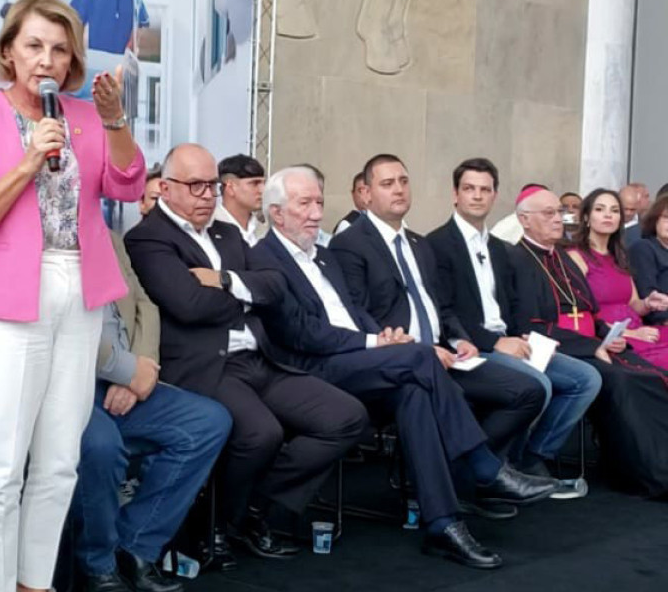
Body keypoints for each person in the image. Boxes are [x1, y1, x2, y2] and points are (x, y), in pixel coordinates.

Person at [0, 0, 145, 592]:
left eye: (59, 49)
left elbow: (127, 183)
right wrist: (29, 161)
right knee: (0, 464)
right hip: (6, 299)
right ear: (8, 52)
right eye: (33, 46)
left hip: (79, 293)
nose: (47, 60)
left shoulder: (85, 115)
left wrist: (114, 122)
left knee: (60, 458)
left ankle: (34, 587)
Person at [250, 167, 557, 569]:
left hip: (358, 358)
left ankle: (443, 524)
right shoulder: (263, 258)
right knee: (421, 357)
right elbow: (302, 333)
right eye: (303, 203)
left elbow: (353, 310)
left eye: (319, 202)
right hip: (312, 368)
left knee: (414, 391)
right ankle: (484, 466)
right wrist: (376, 342)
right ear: (276, 213)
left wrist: (384, 337)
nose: (315, 212)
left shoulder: (322, 254)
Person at [124, 144, 368, 561]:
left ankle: (251, 508)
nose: (206, 195)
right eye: (195, 186)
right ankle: (222, 524)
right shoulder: (148, 239)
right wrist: (246, 292)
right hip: (206, 366)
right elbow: (188, 305)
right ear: (164, 187)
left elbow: (276, 284)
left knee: (346, 418)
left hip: (260, 358)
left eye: (212, 186)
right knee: (261, 434)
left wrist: (223, 280)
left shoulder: (227, 232)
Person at [330, 154, 545, 461]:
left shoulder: (419, 244)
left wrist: (460, 339)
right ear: (366, 193)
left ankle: (473, 476)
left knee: (530, 391)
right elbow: (357, 315)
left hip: (445, 354)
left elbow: (441, 306)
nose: (399, 190)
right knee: (454, 398)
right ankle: (483, 475)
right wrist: (416, 349)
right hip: (400, 361)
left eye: (404, 181)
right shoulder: (349, 243)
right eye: (388, 184)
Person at [73, 232, 231, 592]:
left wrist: (141, 370)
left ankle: (136, 544)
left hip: (126, 374)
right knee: (100, 446)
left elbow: (144, 304)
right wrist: (125, 370)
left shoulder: (106, 234)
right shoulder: (35, 234)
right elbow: (60, 326)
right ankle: (98, 564)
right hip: (67, 383)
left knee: (207, 422)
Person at [427, 159, 601, 482]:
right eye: (469, 189)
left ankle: (529, 458)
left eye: (484, 190)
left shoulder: (499, 248)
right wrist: (495, 342)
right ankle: (481, 474)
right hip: (471, 347)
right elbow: (443, 310)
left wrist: (524, 338)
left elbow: (510, 305)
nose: (477, 196)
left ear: (494, 196)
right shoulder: (436, 244)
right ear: (455, 195)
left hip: (511, 340)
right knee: (538, 385)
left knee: (586, 378)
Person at [509, 185, 668, 498]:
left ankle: (648, 463)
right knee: (623, 380)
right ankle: (645, 471)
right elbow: (533, 324)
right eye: (550, 213)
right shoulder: (519, 259)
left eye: (560, 213)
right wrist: (594, 343)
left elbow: (589, 311)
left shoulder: (561, 259)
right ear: (525, 220)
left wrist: (608, 336)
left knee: (650, 376)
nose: (559, 219)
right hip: (553, 344)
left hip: (591, 341)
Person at [567, 189, 668, 371]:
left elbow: (633, 303)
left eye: (614, 211)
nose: (608, 215)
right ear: (586, 218)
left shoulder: (618, 256)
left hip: (638, 328)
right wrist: (631, 333)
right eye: (599, 209)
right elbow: (580, 315)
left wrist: (648, 303)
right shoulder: (576, 256)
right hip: (612, 336)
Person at [630, 195, 668, 326]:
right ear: (655, 220)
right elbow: (648, 296)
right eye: (666, 218)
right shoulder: (644, 248)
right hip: (658, 323)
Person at [214, 154, 267, 246]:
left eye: (263, 183)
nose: (262, 190)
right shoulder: (209, 228)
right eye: (254, 183)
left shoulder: (265, 232)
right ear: (230, 187)